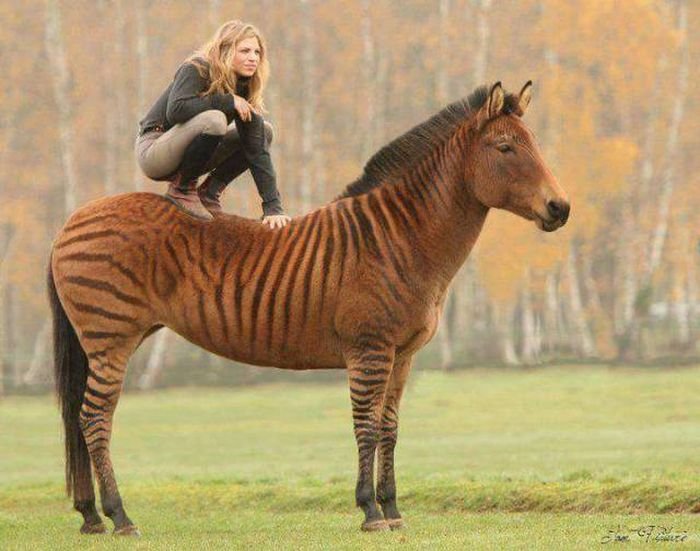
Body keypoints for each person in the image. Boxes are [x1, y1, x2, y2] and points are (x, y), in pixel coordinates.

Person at [135, 20, 291, 228]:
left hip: (190, 155)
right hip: (155, 150)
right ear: (225, 50)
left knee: (263, 131)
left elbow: (257, 151)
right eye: (245, 51)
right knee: (215, 120)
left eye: (257, 52)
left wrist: (273, 207)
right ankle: (181, 189)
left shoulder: (244, 84)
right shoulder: (197, 67)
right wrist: (227, 101)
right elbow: (176, 111)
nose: (253, 58)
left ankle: (209, 193)